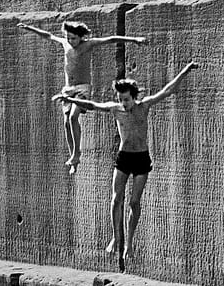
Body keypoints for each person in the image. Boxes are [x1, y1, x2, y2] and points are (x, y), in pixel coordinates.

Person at [58, 62, 199, 266]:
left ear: (134, 97)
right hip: (124, 157)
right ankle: (116, 237)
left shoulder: (145, 106)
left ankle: (129, 243)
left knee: (134, 202)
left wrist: (185, 71)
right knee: (116, 199)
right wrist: (69, 99)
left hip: (141, 158)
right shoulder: (116, 109)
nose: (123, 103)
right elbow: (92, 105)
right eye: (120, 99)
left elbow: (168, 90)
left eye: (126, 99)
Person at [18, 20, 148, 174]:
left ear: (81, 37)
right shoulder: (65, 44)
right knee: (67, 122)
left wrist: (134, 39)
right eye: (68, 37)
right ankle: (74, 158)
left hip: (82, 88)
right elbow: (48, 36)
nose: (70, 41)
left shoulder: (88, 44)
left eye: (73, 38)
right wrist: (29, 28)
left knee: (73, 117)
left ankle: (76, 153)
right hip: (68, 89)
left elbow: (111, 39)